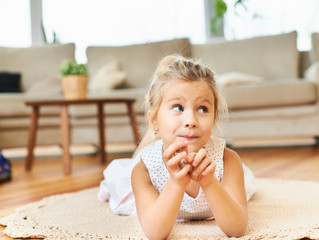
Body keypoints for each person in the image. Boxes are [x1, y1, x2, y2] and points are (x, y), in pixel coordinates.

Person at [97, 55, 257, 239]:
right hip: (147, 160)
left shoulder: (227, 161)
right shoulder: (144, 171)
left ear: (214, 118)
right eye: (178, 107)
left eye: (202, 109)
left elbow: (237, 229)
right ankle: (151, 135)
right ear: (153, 119)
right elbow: (155, 234)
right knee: (127, 170)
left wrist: (209, 182)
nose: (191, 121)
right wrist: (175, 183)